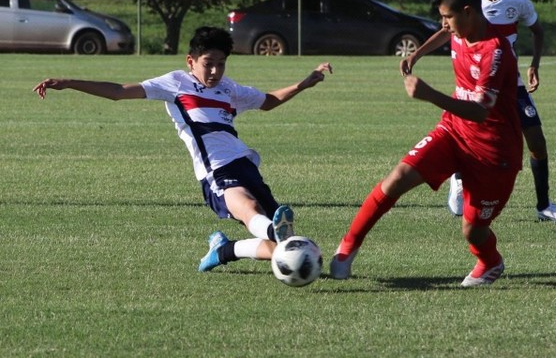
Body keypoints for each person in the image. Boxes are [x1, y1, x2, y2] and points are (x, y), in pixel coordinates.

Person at [33, 26, 333, 272]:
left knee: (280, 251)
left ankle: (225, 249)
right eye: (208, 63)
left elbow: (268, 101)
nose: (215, 70)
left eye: (221, 63)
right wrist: (69, 82)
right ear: (191, 61)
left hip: (246, 164)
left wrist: (304, 83)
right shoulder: (176, 84)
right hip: (215, 170)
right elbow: (118, 92)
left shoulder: (230, 89)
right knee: (251, 211)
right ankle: (272, 230)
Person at [330, 0, 522, 286]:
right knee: (397, 178)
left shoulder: (494, 51)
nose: (443, 23)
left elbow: (479, 111)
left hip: (493, 151)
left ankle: (490, 262)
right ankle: (346, 249)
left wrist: (430, 94)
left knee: (472, 230)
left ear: (469, 12)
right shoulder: (460, 28)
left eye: (448, 16)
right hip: (453, 131)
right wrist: (416, 54)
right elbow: (446, 35)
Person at [401, 0, 556, 223]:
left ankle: (544, 206)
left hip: (511, 86)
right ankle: (458, 179)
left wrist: (534, 65)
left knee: (537, 143)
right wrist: (416, 54)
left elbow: (537, 31)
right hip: (475, 87)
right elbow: (447, 31)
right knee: (466, 136)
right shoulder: (468, 1)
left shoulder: (518, 1)